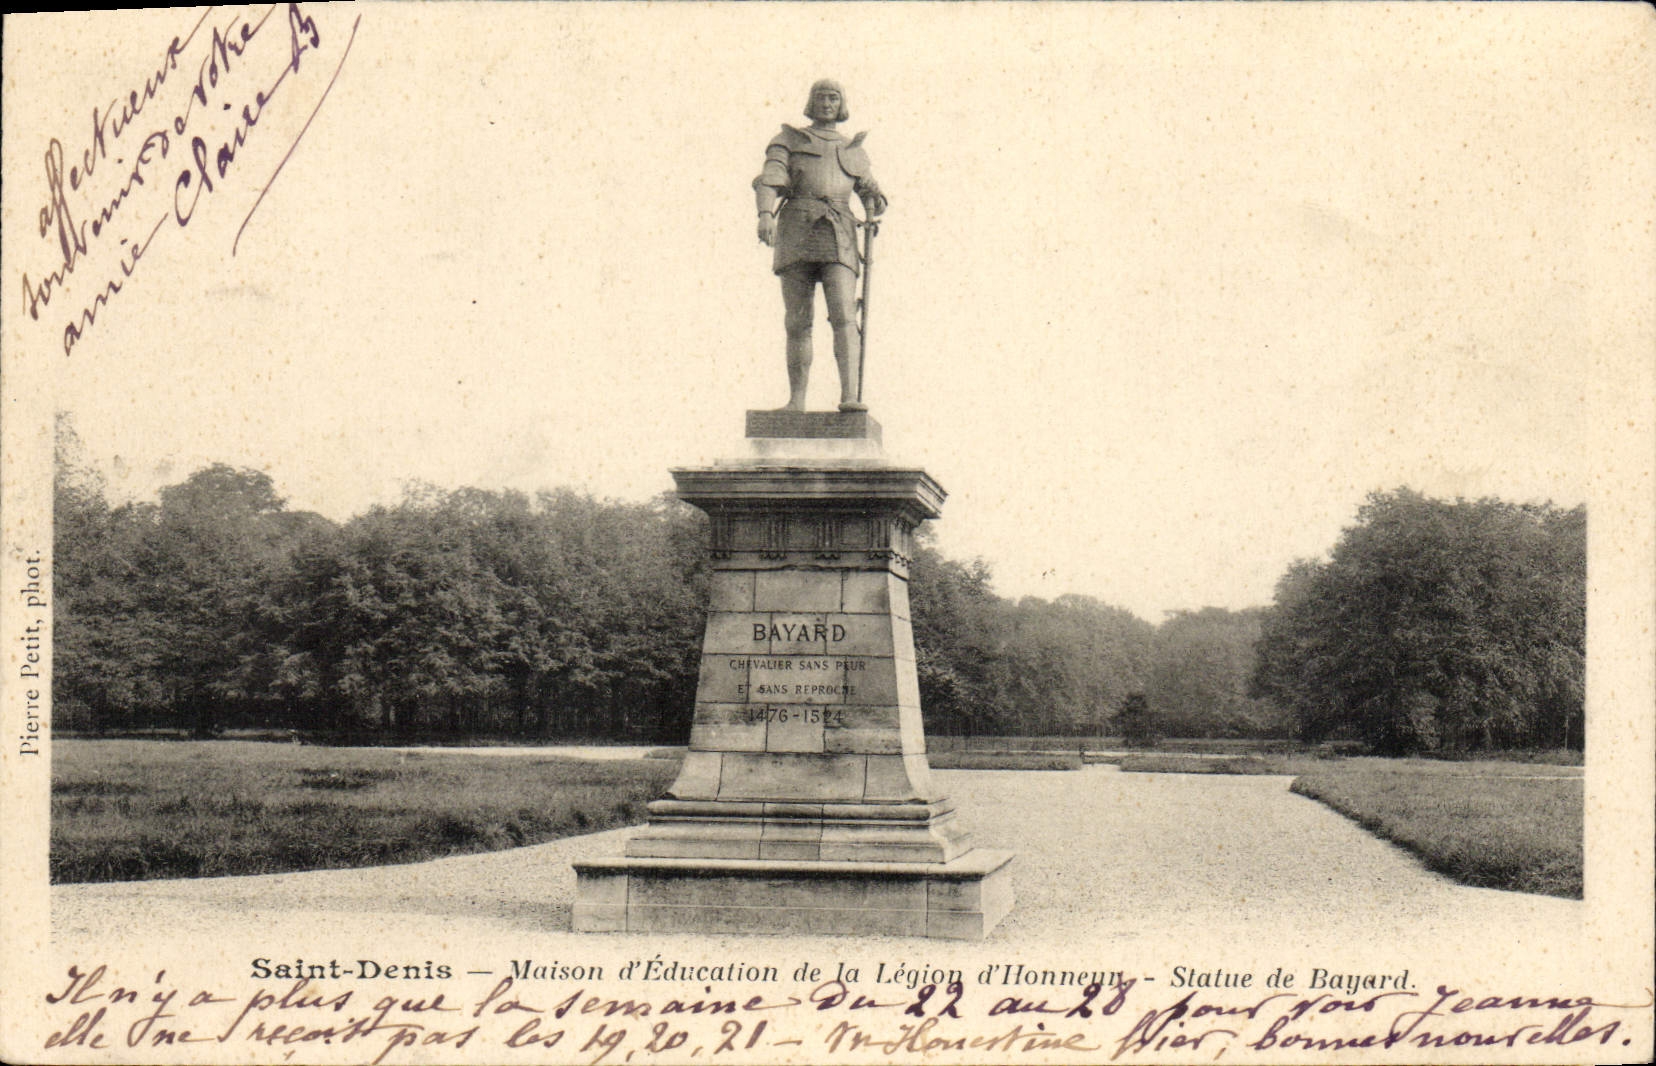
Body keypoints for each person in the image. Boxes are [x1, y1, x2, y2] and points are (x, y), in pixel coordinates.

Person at [753, 79, 888, 412]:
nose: (827, 103)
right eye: (821, 97)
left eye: (833, 97)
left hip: (839, 232)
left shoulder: (853, 150)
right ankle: (796, 401)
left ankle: (849, 398)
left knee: (844, 315)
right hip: (796, 228)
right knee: (797, 321)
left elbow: (876, 197)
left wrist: (874, 197)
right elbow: (770, 178)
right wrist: (765, 214)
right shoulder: (789, 140)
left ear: (841, 104)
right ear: (810, 102)